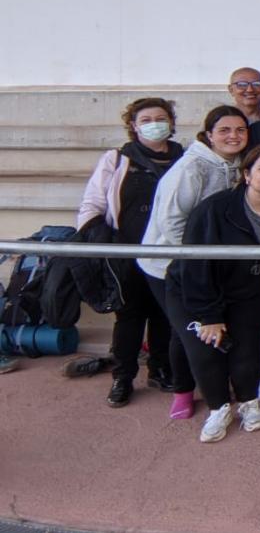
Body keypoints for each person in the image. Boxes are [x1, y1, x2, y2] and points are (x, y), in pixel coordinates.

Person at [168, 144, 260, 443]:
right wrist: (208, 315)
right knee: (206, 350)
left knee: (247, 349)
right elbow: (195, 265)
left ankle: (248, 402)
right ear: (247, 175)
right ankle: (218, 407)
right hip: (194, 291)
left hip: (247, 291)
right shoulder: (214, 210)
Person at [140, 106, 248, 420]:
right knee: (184, 332)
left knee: (212, 327)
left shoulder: (238, 164)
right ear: (209, 134)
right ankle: (183, 392)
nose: (233, 136)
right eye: (225, 130)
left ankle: (213, 384)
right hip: (170, 265)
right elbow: (171, 223)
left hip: (211, 265)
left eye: (240, 130)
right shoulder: (190, 169)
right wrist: (197, 264)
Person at [77, 98, 184, 408]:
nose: (154, 123)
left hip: (168, 251)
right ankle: (122, 377)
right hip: (127, 252)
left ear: (171, 122)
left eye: (161, 118)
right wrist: (103, 240)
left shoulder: (183, 158)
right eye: (146, 119)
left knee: (165, 313)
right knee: (129, 316)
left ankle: (160, 369)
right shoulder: (117, 159)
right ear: (134, 126)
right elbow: (92, 205)